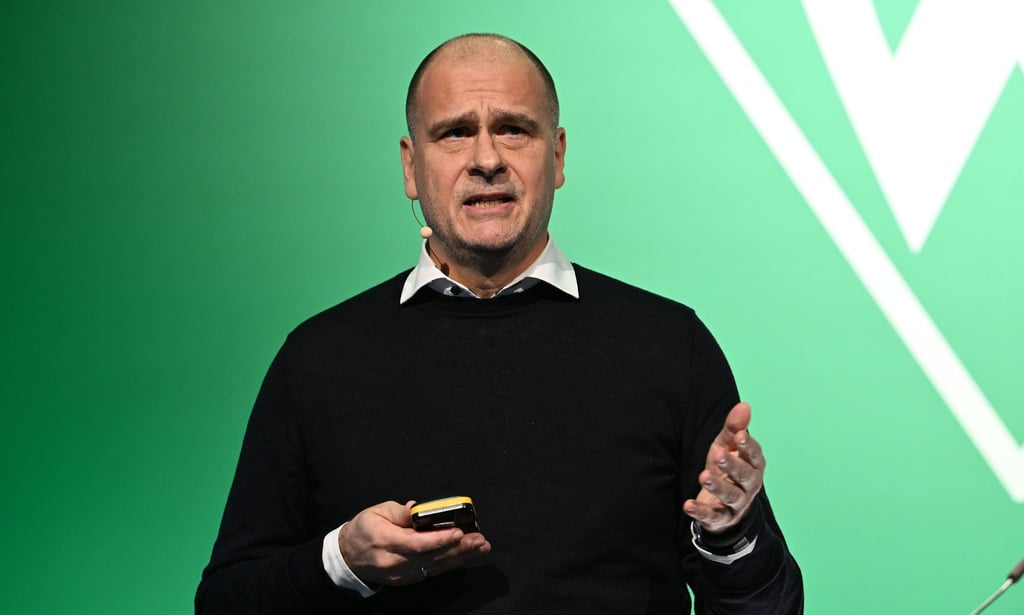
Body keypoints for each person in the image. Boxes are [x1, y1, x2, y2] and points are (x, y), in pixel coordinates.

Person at [196, 33, 803, 614]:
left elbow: (771, 607)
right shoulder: (318, 358)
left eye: (513, 129)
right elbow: (224, 601)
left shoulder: (669, 345)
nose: (487, 159)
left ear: (557, 155)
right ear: (410, 166)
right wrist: (343, 561)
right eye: (455, 133)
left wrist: (731, 539)